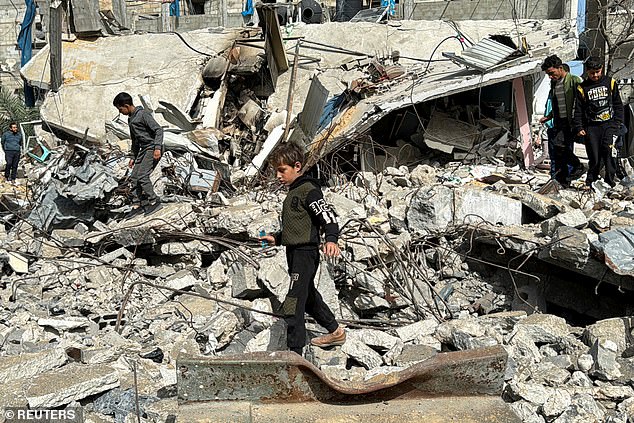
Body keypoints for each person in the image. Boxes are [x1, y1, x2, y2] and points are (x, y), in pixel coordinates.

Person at [260, 142, 346, 355]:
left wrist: (331, 239)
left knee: (293, 302)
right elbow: (298, 227)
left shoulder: (308, 190)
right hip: (294, 253)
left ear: (297, 166)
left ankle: (294, 353)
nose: (278, 176)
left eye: (282, 170)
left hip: (306, 254)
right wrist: (277, 239)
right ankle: (335, 332)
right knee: (307, 297)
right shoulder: (293, 193)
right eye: (276, 171)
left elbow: (328, 217)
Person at [573, 57, 624, 188]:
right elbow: (578, 109)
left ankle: (610, 181)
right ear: (587, 72)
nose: (595, 75)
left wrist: (618, 122)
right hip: (592, 128)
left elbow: (618, 104)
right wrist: (579, 127)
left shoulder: (610, 82)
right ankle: (591, 182)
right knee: (594, 157)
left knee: (609, 152)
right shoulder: (582, 88)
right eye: (592, 73)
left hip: (610, 125)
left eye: (598, 72)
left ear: (601, 70)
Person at [113, 92, 164, 216]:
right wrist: (133, 157)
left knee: (142, 176)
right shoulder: (131, 119)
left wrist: (157, 148)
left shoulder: (142, 115)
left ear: (126, 105)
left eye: (120, 109)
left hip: (152, 148)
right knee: (134, 177)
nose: (120, 112)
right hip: (143, 150)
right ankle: (140, 203)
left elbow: (158, 130)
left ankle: (154, 201)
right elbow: (135, 141)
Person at [539, 55, 585, 186]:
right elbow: (557, 104)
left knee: (563, 148)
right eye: (548, 74)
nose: (550, 76)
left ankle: (576, 167)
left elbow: (583, 101)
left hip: (572, 122)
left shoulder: (574, 80)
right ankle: (563, 180)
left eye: (552, 73)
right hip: (560, 121)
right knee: (558, 150)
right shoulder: (554, 84)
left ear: (560, 68)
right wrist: (549, 116)